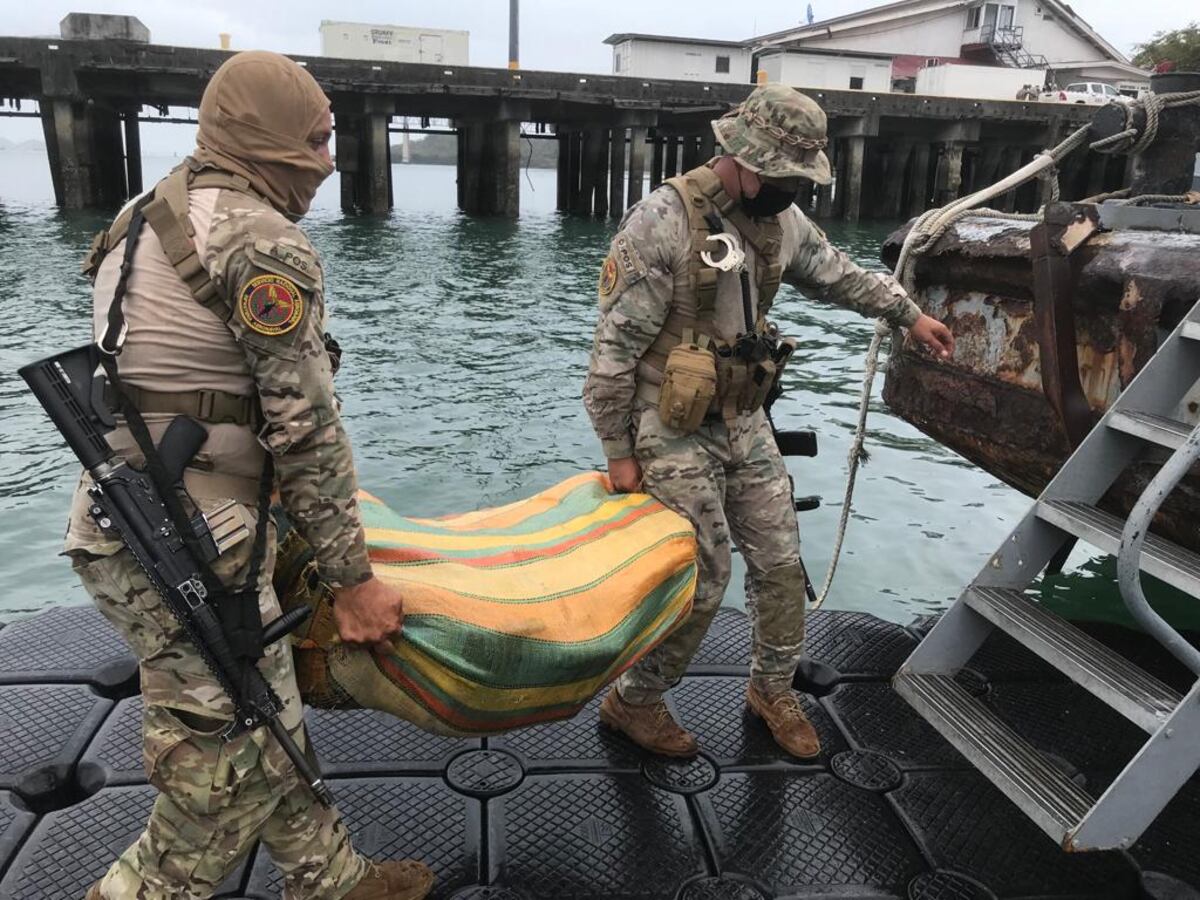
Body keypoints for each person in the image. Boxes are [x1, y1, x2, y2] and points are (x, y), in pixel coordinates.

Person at [67, 51, 433, 899]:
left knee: (264, 721)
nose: (330, 159)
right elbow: (303, 427)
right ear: (267, 137)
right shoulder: (261, 239)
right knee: (217, 786)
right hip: (194, 542)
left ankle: (329, 879)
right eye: (315, 139)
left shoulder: (140, 216)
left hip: (131, 516)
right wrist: (352, 582)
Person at [584, 83, 955, 759]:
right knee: (704, 570)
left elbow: (838, 273)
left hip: (741, 417)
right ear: (743, 158)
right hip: (666, 423)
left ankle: (771, 688)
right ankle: (634, 702)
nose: (793, 190)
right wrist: (618, 452)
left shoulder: (781, 220)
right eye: (783, 175)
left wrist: (909, 314)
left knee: (781, 560)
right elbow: (613, 351)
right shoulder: (661, 221)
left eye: (800, 177)